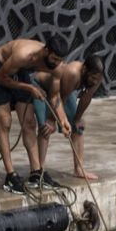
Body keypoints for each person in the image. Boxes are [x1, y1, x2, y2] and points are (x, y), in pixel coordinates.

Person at [0, 36, 70, 194]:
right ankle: (10, 175)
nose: (56, 63)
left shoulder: (57, 67)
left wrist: (63, 119)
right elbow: (1, 78)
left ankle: (36, 173)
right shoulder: (24, 54)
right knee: (5, 121)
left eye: (60, 60)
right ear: (46, 50)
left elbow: (55, 96)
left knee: (30, 123)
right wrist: (30, 88)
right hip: (0, 69)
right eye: (54, 58)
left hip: (20, 72)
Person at [31, 53, 105, 181]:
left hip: (62, 93)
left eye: (96, 79)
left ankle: (79, 169)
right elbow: (60, 99)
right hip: (41, 86)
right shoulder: (73, 73)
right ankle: (39, 170)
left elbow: (86, 98)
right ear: (85, 69)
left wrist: (77, 119)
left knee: (78, 128)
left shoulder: (97, 77)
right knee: (46, 128)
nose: (94, 81)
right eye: (92, 77)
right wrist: (52, 120)